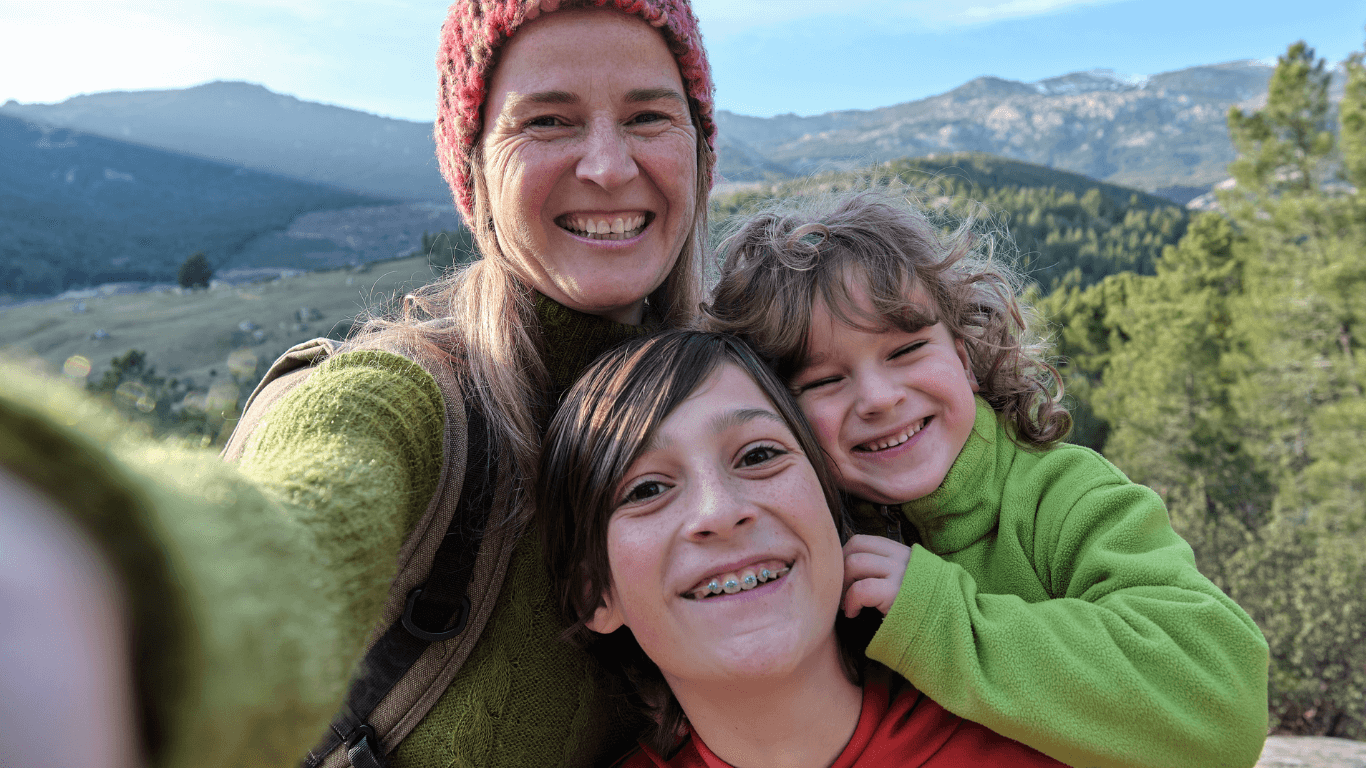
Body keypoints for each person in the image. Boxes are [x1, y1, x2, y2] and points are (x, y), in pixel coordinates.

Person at [0, 1, 718, 766]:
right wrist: (107, 577)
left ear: (701, 154)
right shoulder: (402, 403)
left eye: (648, 117)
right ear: (472, 171)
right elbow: (282, 534)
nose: (608, 165)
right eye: (546, 122)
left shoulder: (755, 396)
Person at [702, 190, 1271, 768]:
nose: (878, 398)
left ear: (966, 356)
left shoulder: (1067, 495)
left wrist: (940, 618)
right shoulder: (804, 539)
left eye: (907, 349)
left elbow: (1221, 703)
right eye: (823, 380)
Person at [535, 330, 1069, 767]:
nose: (720, 512)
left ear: (835, 509)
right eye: (647, 489)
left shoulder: (1048, 736)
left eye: (759, 455)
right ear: (593, 594)